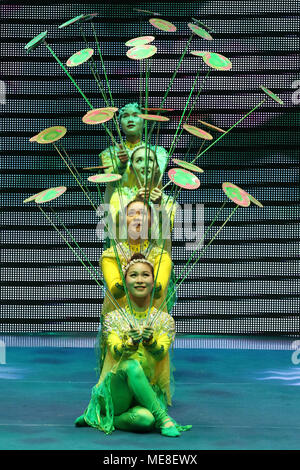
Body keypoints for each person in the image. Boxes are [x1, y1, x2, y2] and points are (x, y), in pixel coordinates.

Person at [75, 254, 192, 437]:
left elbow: (161, 353)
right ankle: (163, 418)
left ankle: (96, 418)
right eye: (133, 275)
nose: (140, 280)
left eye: (145, 275)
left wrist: (150, 341)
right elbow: (114, 349)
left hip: (145, 392)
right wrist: (129, 344)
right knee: (131, 365)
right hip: (117, 392)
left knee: (145, 421)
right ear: (125, 281)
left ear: (154, 282)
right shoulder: (113, 318)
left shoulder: (164, 320)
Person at [100, 197, 174, 316]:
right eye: (131, 214)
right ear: (124, 221)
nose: (137, 218)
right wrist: (130, 270)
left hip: (152, 323)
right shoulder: (111, 255)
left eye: (143, 214)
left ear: (151, 222)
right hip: (118, 323)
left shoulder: (161, 256)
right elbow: (116, 291)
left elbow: (158, 292)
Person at [99, 102, 169, 204]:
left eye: (135, 115)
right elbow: (111, 183)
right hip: (119, 206)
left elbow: (156, 179)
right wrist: (121, 164)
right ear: (120, 123)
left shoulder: (158, 152)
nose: (130, 120)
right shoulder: (109, 153)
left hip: (150, 204)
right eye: (125, 116)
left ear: (144, 121)